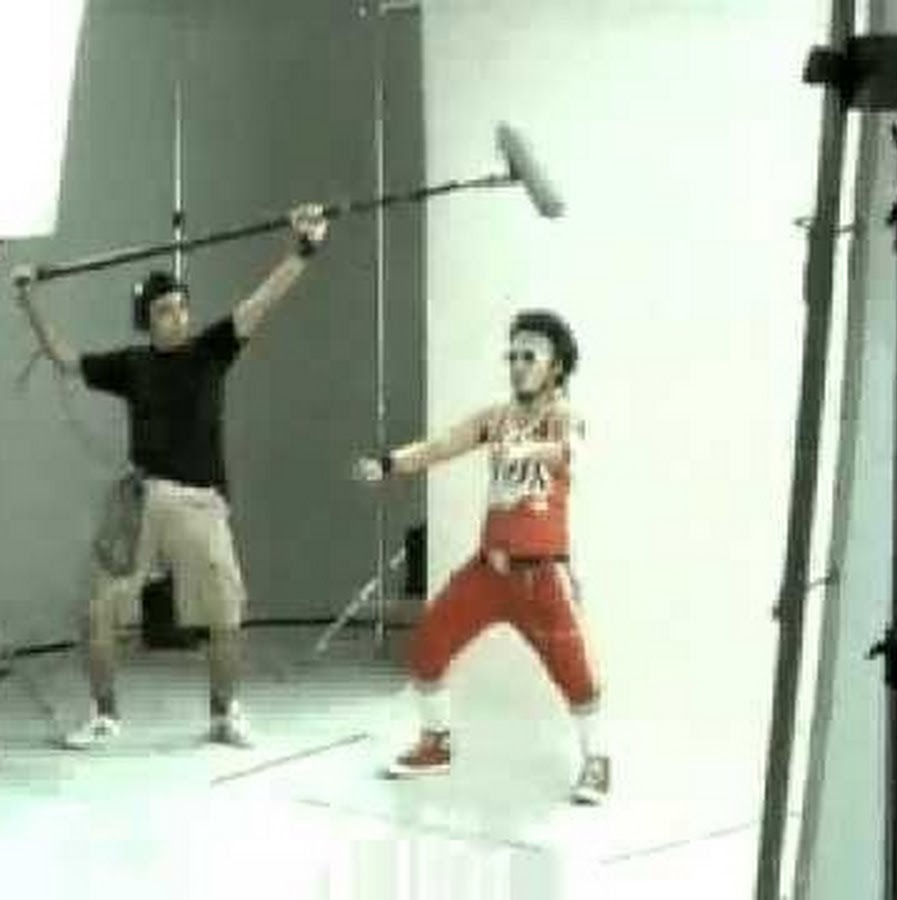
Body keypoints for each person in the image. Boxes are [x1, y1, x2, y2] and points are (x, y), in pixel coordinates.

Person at [12, 204, 329, 749]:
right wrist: (27, 300)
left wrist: (303, 249)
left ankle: (224, 714)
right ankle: (104, 716)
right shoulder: (131, 365)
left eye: (182, 307)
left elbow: (264, 299)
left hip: (201, 503)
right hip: (143, 500)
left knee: (226, 615)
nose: (177, 317)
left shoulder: (212, 350)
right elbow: (64, 358)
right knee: (99, 613)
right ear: (147, 320)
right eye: (164, 311)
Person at [355, 310, 610, 805]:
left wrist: (527, 452)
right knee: (427, 648)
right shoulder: (496, 418)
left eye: (529, 356)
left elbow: (571, 451)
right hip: (488, 572)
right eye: (512, 356)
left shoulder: (563, 417)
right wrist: (388, 464)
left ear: (556, 366)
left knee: (576, 673)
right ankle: (436, 743)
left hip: (542, 576)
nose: (518, 365)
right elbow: (442, 445)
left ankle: (596, 760)